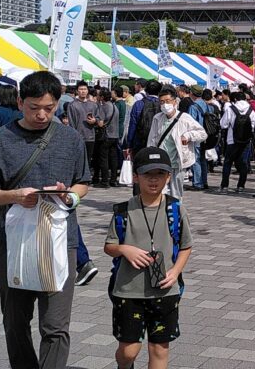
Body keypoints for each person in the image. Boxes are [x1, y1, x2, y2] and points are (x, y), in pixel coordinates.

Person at [0, 70, 91, 369]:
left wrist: (70, 197)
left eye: (48, 108)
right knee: (15, 321)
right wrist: (13, 196)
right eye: (34, 107)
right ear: (21, 102)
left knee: (55, 325)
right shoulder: (0, 140)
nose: (41, 115)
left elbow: (83, 182)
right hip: (13, 241)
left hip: (61, 241)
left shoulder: (70, 138)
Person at [103, 147, 193, 369]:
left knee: (159, 348)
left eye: (160, 174)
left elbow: (186, 246)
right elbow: (109, 246)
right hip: (128, 291)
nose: (154, 180)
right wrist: (125, 250)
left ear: (168, 176)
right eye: (147, 175)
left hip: (165, 289)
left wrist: (175, 272)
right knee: (128, 350)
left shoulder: (175, 209)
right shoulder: (123, 211)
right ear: (135, 176)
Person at [148, 86, 207, 199]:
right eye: (162, 102)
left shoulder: (184, 118)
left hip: (178, 161)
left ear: (174, 101)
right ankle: (162, 212)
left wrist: (188, 136)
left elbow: (202, 133)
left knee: (176, 192)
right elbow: (152, 139)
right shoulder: (157, 118)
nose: (165, 104)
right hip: (161, 161)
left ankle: (175, 213)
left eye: (167, 101)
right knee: (160, 191)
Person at [218, 90, 255, 194]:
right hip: (246, 140)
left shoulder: (231, 109)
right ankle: (241, 186)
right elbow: (254, 126)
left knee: (228, 162)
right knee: (243, 163)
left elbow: (223, 124)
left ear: (235, 99)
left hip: (232, 140)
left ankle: (224, 186)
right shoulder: (251, 110)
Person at [95, 89, 122, 188]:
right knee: (113, 158)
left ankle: (105, 181)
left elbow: (101, 122)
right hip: (115, 135)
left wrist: (95, 120)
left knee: (104, 159)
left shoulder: (104, 107)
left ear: (102, 97)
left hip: (106, 135)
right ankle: (113, 180)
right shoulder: (114, 106)